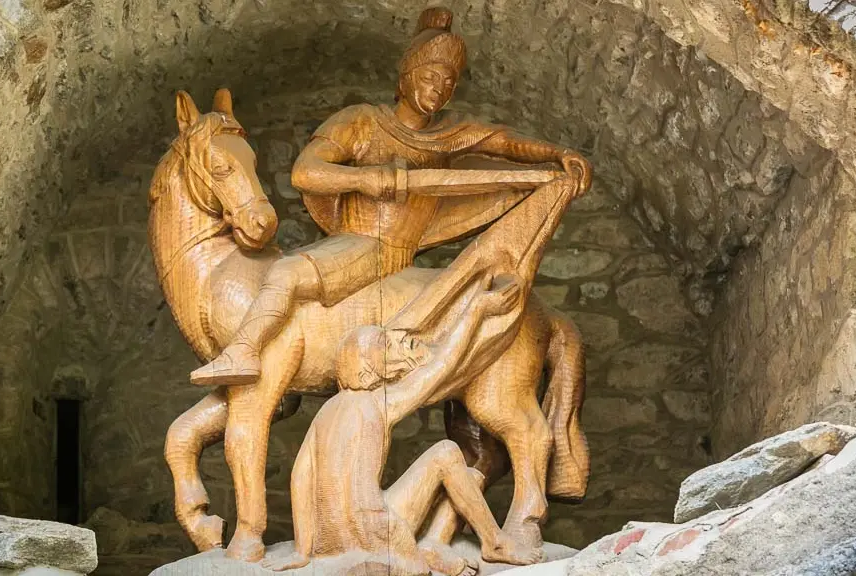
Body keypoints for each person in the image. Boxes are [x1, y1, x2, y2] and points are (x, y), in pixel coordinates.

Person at [189, 6, 591, 386]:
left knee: (287, 273)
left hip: (390, 250)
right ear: (406, 79)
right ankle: (248, 355)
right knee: (287, 272)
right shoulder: (362, 121)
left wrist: (558, 153)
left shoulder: (448, 134)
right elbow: (306, 172)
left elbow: (503, 141)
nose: (438, 90)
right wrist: (369, 179)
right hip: (359, 238)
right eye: (430, 77)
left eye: (448, 83)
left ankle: (243, 351)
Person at [264, 274, 542, 575]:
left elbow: (300, 477)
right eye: (384, 345)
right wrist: (476, 310)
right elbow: (443, 365)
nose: (396, 344)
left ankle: (434, 544)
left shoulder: (326, 413)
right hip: (376, 533)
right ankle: (495, 542)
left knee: (470, 478)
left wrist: (303, 551)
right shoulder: (377, 402)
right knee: (447, 452)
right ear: (367, 373)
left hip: (331, 540)